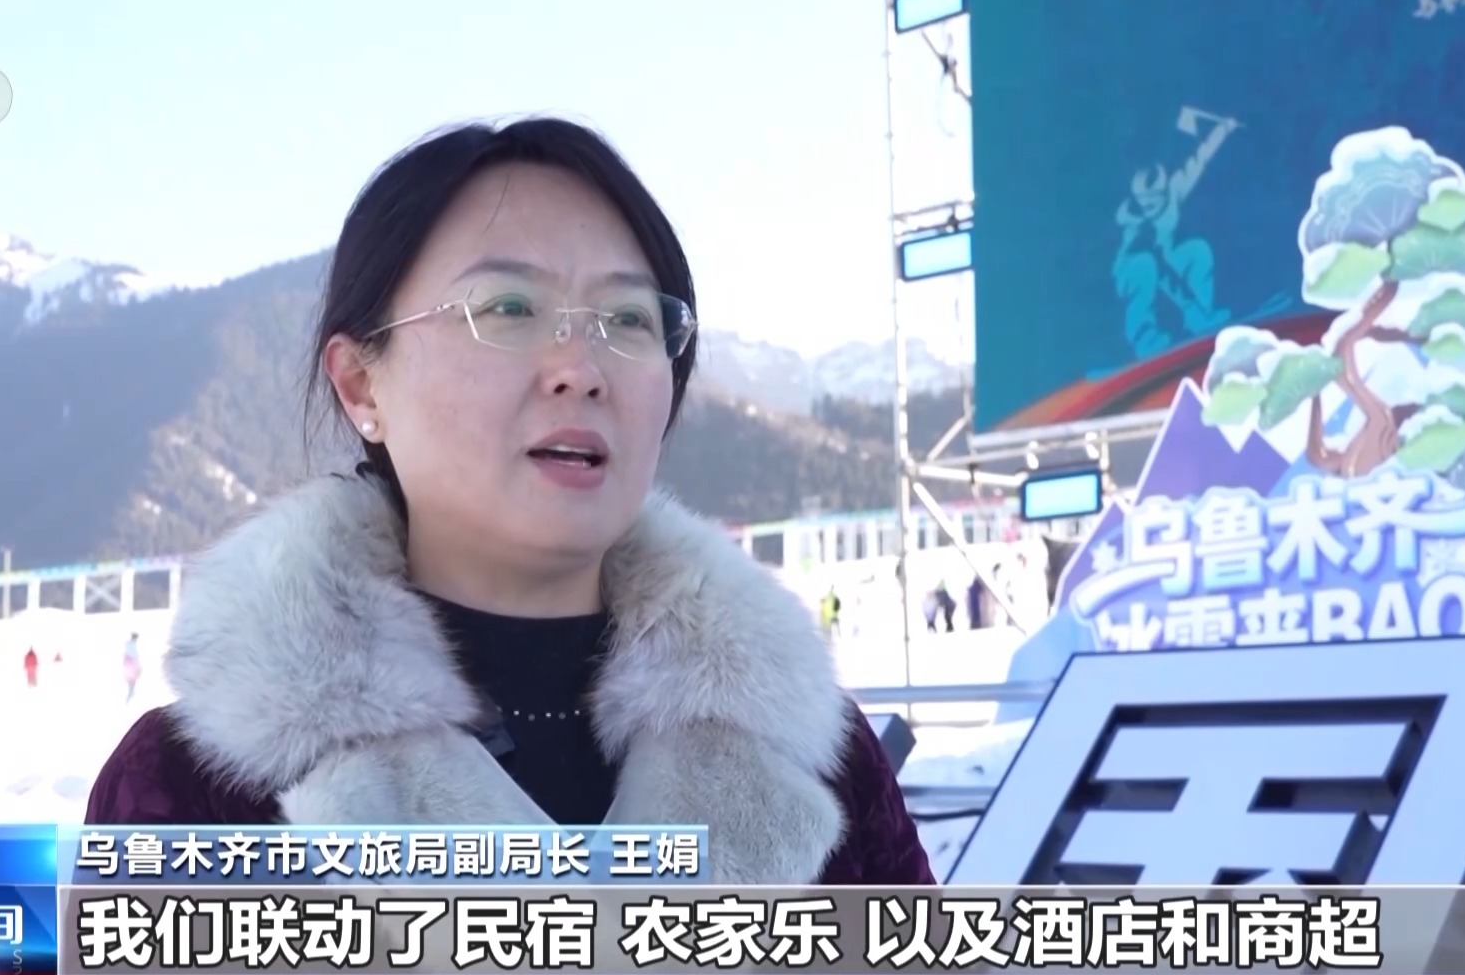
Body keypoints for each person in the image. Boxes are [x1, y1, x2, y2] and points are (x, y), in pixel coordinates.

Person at [85, 118, 933, 885]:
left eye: (630, 320)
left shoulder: (822, 761)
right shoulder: (191, 794)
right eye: (509, 308)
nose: (581, 368)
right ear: (361, 384)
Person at [122, 632, 142, 705]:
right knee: (131, 683)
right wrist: (138, 667)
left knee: (132, 684)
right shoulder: (130, 645)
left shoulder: (130, 644)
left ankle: (129, 698)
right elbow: (134, 656)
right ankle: (128, 700)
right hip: (130, 665)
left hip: (130, 665)